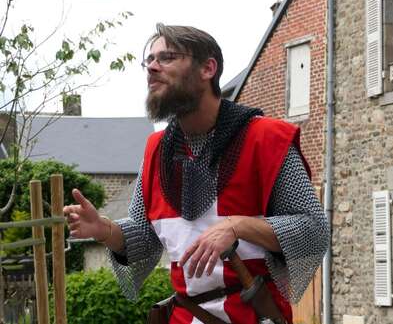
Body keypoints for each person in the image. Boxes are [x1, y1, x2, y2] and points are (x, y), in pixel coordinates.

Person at [64, 23, 329, 324]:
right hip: (185, 316)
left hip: (253, 315)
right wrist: (104, 230)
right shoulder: (157, 150)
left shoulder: (264, 139)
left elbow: (313, 230)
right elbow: (143, 239)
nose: (152, 67)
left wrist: (237, 226)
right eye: (149, 60)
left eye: (166, 58)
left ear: (208, 68)